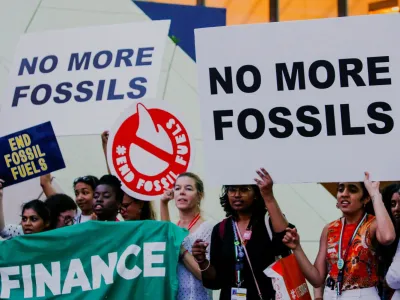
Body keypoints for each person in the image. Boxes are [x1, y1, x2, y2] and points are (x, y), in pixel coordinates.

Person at [283, 172, 396, 299]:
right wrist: (297, 248)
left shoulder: (372, 224)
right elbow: (317, 279)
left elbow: (388, 237)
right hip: (332, 294)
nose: (344, 194)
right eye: (341, 189)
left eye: (352, 190)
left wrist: (375, 193)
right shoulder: (329, 229)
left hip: (363, 294)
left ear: (365, 198)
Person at [192, 168, 293, 300]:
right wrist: (202, 261)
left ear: (256, 193)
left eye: (244, 189)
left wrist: (268, 196)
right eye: (232, 189)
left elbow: (286, 241)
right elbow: (215, 281)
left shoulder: (269, 220)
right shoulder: (221, 229)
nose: (237, 194)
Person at [160, 172, 214, 300]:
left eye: (188, 188)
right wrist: (163, 203)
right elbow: (166, 234)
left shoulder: (208, 227)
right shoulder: (174, 226)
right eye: (177, 188)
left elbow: (205, 275)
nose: (181, 192)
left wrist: (180, 248)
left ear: (199, 195)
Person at [101, 130, 156, 221]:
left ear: (141, 204)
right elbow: (113, 182)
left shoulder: (152, 228)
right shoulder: (121, 228)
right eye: (120, 206)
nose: (122, 211)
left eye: (125, 206)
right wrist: (106, 146)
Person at [378, 183, 400, 299]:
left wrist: (388, 280)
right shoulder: (381, 235)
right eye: (393, 204)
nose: (397, 208)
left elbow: (395, 277)